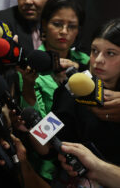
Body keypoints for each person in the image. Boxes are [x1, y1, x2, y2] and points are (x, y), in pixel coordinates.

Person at [19, 0, 89, 182]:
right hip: (49, 165)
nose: (64, 31)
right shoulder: (29, 70)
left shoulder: (88, 63)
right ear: (44, 24)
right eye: (57, 24)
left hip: (90, 160)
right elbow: (36, 128)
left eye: (71, 26)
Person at [51, 18, 120, 186]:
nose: (98, 60)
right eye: (94, 51)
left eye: (110, 53)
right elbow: (46, 144)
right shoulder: (72, 90)